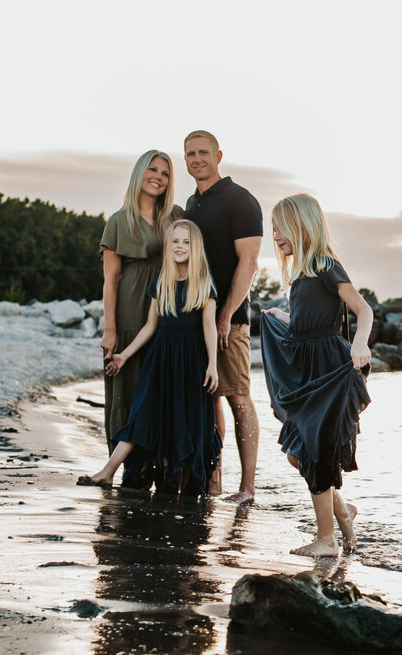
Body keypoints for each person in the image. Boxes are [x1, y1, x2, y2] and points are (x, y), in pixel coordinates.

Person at [259, 193, 373, 558]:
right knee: (298, 453)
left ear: (302, 225)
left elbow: (363, 309)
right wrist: (284, 319)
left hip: (328, 371)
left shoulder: (326, 266)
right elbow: (308, 324)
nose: (275, 235)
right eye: (273, 228)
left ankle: (326, 539)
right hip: (306, 371)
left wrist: (360, 344)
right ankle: (342, 509)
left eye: (281, 227)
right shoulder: (301, 276)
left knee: (314, 451)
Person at [78, 220, 222, 495]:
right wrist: (124, 355)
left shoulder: (204, 284)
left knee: (187, 424)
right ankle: (107, 472)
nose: (180, 247)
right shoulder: (161, 282)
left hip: (191, 363)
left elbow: (209, 328)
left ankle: (190, 488)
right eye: (175, 242)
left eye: (186, 242)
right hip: (159, 362)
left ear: (196, 248)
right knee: (142, 416)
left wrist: (213, 366)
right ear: (168, 247)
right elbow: (150, 327)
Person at [182, 130, 264, 503]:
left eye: (203, 152)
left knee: (238, 398)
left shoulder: (240, 200)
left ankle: (247, 487)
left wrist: (227, 315)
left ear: (218, 155)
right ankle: (214, 479)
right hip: (194, 318)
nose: (196, 159)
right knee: (209, 398)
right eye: (190, 154)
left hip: (231, 320)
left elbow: (248, 264)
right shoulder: (191, 204)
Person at [99, 150, 183, 457]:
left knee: (161, 386)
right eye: (153, 170)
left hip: (168, 311)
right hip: (130, 310)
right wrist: (110, 329)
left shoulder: (176, 216)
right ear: (139, 173)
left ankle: (160, 463)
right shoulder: (119, 222)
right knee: (128, 387)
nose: (158, 177)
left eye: (165, 173)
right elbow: (111, 280)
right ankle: (125, 467)